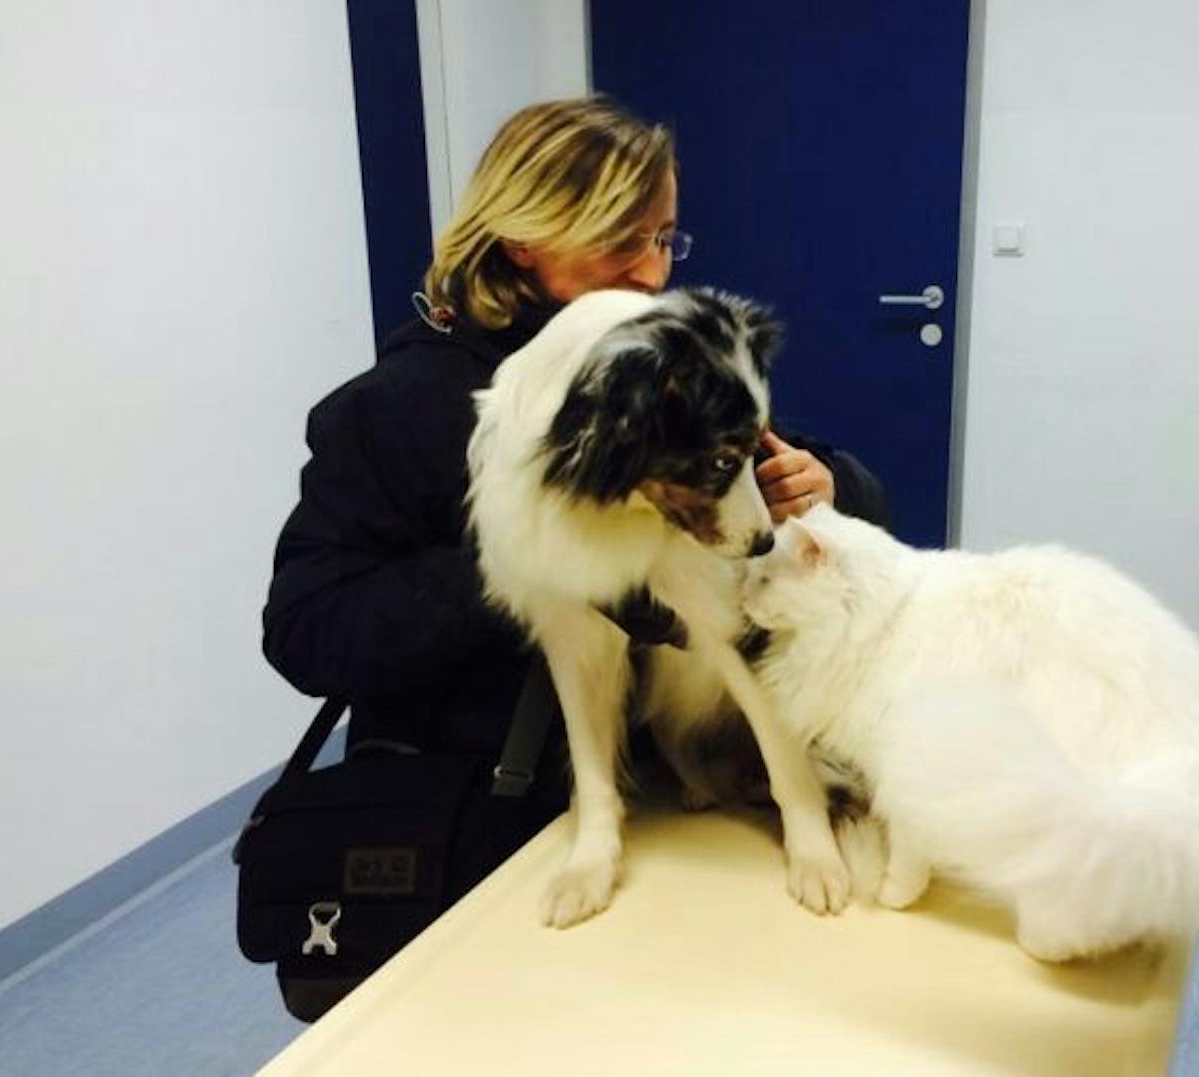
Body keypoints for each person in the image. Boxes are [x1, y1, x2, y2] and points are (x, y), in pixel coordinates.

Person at [261, 96, 889, 910]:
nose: (652, 272)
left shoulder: (664, 354)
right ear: (524, 232)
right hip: (492, 826)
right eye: (620, 238)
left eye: (664, 238)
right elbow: (306, 631)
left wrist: (830, 482)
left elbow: (780, 486)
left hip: (679, 799)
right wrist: (529, 564)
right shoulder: (396, 408)